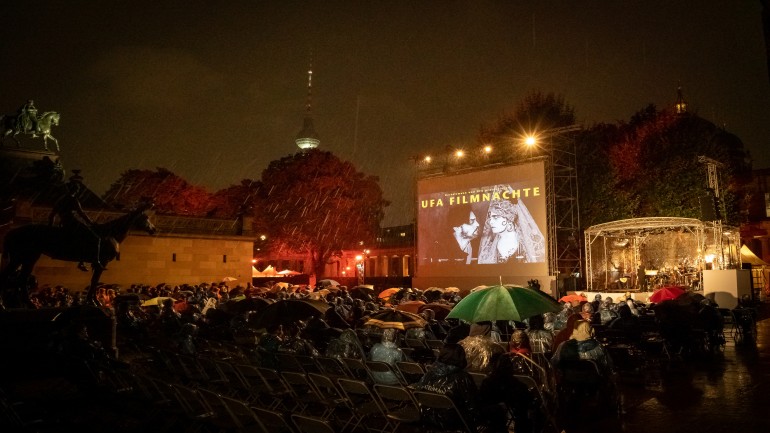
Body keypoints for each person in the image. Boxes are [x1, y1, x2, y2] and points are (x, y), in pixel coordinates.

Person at [411, 344, 478, 431]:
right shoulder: (463, 377)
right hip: (453, 421)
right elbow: (472, 405)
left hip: (428, 417)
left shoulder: (429, 373)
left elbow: (419, 391)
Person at [48, 175, 102, 271]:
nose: (78, 191)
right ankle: (95, 261)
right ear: (75, 190)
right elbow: (81, 214)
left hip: (64, 223)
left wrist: (50, 228)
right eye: (77, 189)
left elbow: (52, 215)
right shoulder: (73, 199)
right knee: (95, 238)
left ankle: (82, 261)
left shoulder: (60, 200)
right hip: (72, 223)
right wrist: (91, 222)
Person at [478, 195, 545, 264]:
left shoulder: (526, 243)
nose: (490, 222)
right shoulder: (490, 247)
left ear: (508, 219)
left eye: (496, 217)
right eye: (490, 218)